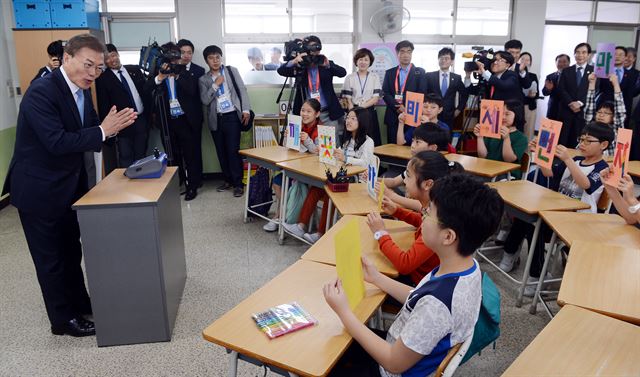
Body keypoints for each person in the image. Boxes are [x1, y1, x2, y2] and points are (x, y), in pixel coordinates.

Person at [1, 34, 136, 337]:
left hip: (68, 186)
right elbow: (57, 141)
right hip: (39, 190)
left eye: (98, 68)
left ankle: (78, 301)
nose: (93, 74)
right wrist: (103, 131)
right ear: (67, 58)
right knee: (51, 259)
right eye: (88, 65)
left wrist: (110, 129)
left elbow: (88, 131)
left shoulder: (82, 90)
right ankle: (62, 320)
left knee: (70, 249)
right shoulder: (41, 92)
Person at [323, 173, 503, 377]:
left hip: (389, 369)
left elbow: (393, 362)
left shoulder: (437, 304)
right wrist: (377, 278)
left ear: (448, 236)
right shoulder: (465, 268)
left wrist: (344, 312)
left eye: (428, 213)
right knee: (333, 338)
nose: (422, 217)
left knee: (320, 357)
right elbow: (418, 295)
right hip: (401, 344)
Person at [499, 122, 613, 291]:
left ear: (604, 145)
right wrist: (540, 154)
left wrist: (567, 159)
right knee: (525, 215)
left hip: (579, 220)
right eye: (581, 139)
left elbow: (586, 185)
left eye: (588, 141)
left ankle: (537, 275)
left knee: (535, 225)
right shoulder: (576, 160)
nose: (582, 144)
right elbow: (550, 174)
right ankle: (510, 252)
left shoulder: (603, 168)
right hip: (556, 212)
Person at [366, 151, 464, 286]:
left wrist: (380, 233)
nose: (404, 180)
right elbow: (421, 220)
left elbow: (404, 264)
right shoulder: (435, 208)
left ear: (428, 184)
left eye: (409, 176)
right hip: (419, 275)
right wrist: (397, 211)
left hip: (419, 285)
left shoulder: (437, 224)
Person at [283, 107, 374, 244]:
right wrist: (327, 152)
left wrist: (346, 158)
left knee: (329, 193)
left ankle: (321, 233)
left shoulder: (368, 142)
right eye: (347, 117)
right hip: (342, 179)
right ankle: (301, 226)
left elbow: (365, 163)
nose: (348, 121)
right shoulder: (347, 140)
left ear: (362, 121)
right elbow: (340, 160)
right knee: (316, 188)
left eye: (353, 118)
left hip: (356, 183)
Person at [144, 42, 200, 201]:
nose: (175, 61)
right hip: (167, 121)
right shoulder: (159, 70)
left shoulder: (185, 71)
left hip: (184, 120)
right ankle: (178, 182)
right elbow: (147, 89)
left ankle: (192, 186)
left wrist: (178, 76)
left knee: (190, 155)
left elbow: (191, 91)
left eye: (177, 56)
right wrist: (160, 77)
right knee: (172, 155)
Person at [199, 45, 251, 198]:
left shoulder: (231, 71)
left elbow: (242, 90)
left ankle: (238, 184)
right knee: (221, 151)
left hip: (232, 117)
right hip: (216, 119)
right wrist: (216, 85)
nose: (215, 61)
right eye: (211, 58)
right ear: (206, 61)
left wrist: (246, 110)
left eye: (217, 57)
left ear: (221, 58)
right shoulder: (203, 79)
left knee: (233, 151)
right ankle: (227, 180)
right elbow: (205, 100)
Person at [263, 98, 322, 232]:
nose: (304, 114)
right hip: (295, 166)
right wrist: (287, 138)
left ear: (317, 114)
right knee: (277, 182)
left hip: (311, 172)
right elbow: (288, 149)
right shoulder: (297, 124)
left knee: (285, 182)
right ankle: (283, 214)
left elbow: (319, 153)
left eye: (309, 111)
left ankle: (280, 216)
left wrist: (307, 140)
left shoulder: (320, 130)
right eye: (302, 110)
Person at [277, 36, 346, 139]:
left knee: (329, 146)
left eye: (316, 49)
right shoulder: (301, 65)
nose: (314, 53)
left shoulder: (325, 63)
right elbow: (281, 71)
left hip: (327, 113)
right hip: (307, 114)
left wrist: (328, 65)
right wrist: (294, 61)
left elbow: (342, 72)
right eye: (311, 49)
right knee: (306, 142)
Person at [95, 43, 149, 172]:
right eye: (107, 58)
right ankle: (129, 186)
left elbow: (145, 93)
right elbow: (104, 105)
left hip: (141, 119)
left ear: (118, 54)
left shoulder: (134, 70)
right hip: (122, 124)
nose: (112, 60)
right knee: (125, 156)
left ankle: (142, 183)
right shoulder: (102, 79)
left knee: (141, 153)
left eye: (113, 55)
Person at [382, 125, 450, 212]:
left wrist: (392, 196)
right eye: (413, 140)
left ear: (433, 148)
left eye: (418, 142)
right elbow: (394, 181)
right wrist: (374, 179)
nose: (412, 145)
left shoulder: (434, 169)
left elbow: (425, 206)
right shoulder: (416, 165)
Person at [382, 40, 427, 144]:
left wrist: (408, 109)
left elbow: (422, 93)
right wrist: (398, 107)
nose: (406, 55)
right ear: (397, 54)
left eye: (409, 51)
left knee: (410, 146)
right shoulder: (390, 73)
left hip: (412, 116)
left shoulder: (420, 72)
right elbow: (385, 93)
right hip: (393, 115)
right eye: (402, 52)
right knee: (392, 146)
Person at [177, 38, 206, 189]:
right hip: (174, 118)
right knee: (177, 152)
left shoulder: (199, 70)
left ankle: (196, 180)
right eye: (183, 52)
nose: (186, 55)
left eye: (189, 52)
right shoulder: (170, 68)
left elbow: (194, 92)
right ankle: (180, 180)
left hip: (192, 117)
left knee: (194, 151)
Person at [474, 100, 528, 179]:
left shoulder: (521, 138)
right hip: (488, 170)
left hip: (507, 175)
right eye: (500, 113)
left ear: (517, 115)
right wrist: (480, 137)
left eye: (507, 114)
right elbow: (482, 155)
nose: (503, 117)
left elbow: (509, 159)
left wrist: (506, 138)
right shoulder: (492, 132)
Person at [556, 42, 594, 147]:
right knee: (563, 141)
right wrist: (571, 103)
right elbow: (561, 89)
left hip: (583, 113)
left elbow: (595, 90)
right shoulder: (567, 70)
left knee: (579, 141)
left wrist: (580, 103)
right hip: (566, 111)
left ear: (589, 55)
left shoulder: (594, 71)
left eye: (584, 52)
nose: (580, 55)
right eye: (577, 52)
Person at [342, 48, 383, 145]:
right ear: (356, 61)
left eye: (366, 60)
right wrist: (352, 111)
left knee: (371, 138)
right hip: (353, 111)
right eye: (360, 59)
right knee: (353, 138)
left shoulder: (374, 77)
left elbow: (375, 98)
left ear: (370, 62)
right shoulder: (350, 77)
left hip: (369, 112)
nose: (363, 62)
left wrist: (360, 109)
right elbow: (347, 98)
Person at [584, 72, 626, 156]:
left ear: (613, 117)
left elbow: (620, 109)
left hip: (608, 163)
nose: (601, 115)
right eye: (599, 112)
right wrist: (592, 83)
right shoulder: (591, 125)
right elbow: (589, 106)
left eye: (606, 113)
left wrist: (616, 84)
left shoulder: (616, 128)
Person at [425, 47, 468, 128]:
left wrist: (458, 110)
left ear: (452, 62)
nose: (443, 60)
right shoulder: (429, 76)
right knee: (430, 137)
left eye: (446, 58)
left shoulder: (457, 78)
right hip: (432, 114)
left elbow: (465, 94)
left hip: (449, 115)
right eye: (441, 58)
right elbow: (424, 94)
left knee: (447, 138)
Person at [542, 54, 571, 121]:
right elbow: (544, 93)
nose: (562, 64)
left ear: (569, 63)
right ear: (556, 63)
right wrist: (548, 89)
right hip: (553, 110)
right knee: (551, 131)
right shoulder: (550, 76)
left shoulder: (573, 77)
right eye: (559, 61)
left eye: (564, 61)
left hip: (567, 110)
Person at [519, 52, 540, 140]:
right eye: (522, 59)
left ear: (530, 62)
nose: (525, 62)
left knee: (528, 132)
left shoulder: (533, 76)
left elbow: (537, 94)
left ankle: (526, 153)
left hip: (529, 107)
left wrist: (533, 95)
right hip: (517, 107)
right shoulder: (513, 74)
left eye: (527, 60)